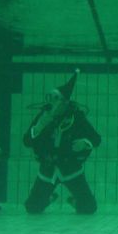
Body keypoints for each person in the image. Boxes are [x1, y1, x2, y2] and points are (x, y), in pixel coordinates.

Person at [23, 70, 101, 214]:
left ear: (65, 102)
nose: (51, 103)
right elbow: (27, 141)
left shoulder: (77, 117)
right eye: (50, 99)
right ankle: (48, 198)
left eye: (56, 100)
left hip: (70, 167)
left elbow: (96, 139)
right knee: (32, 208)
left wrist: (84, 143)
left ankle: (74, 200)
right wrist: (39, 126)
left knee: (88, 208)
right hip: (48, 168)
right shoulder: (43, 116)